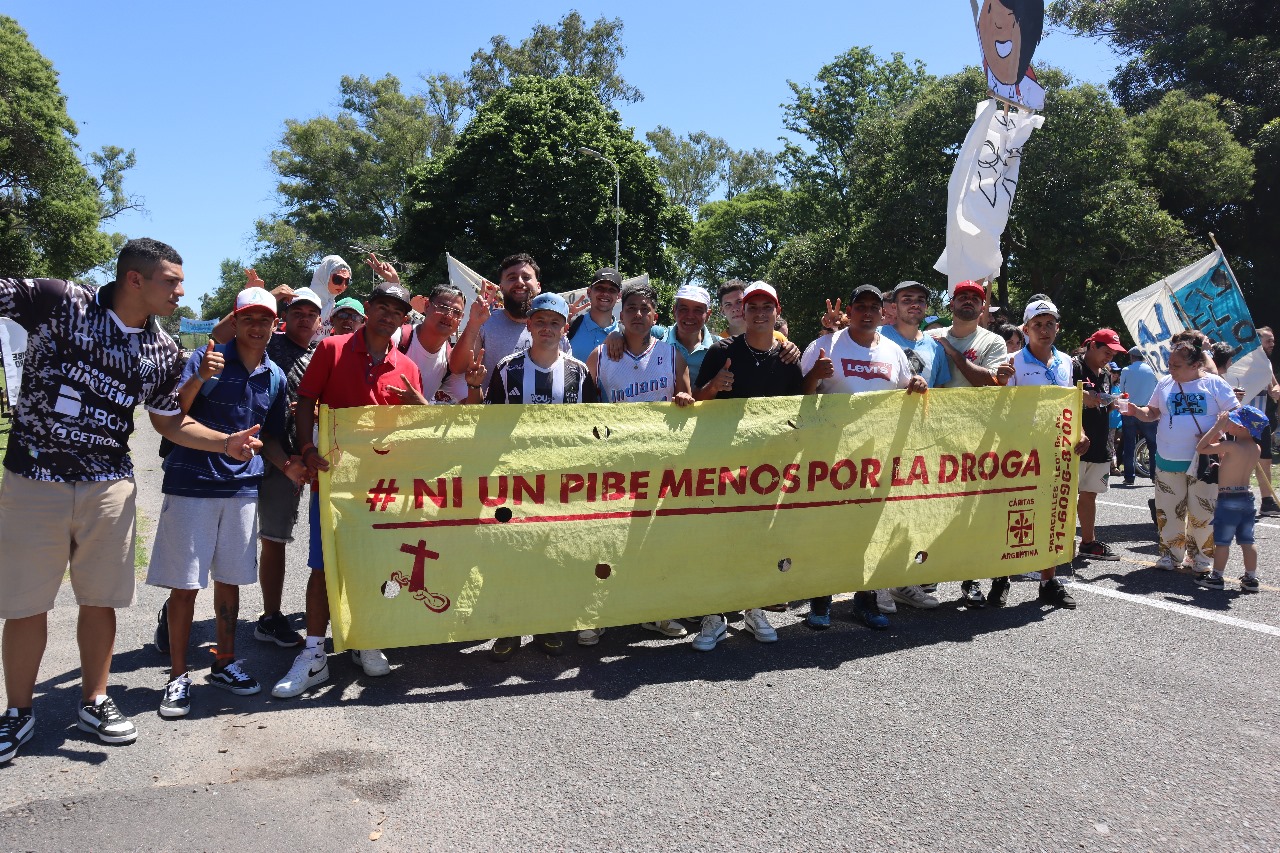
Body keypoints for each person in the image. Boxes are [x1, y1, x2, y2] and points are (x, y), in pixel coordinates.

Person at [0, 238, 263, 762]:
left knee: (100, 600)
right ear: (135, 279)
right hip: (33, 480)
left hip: (108, 486)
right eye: (172, 281)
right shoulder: (58, 300)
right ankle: (18, 713)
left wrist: (225, 442)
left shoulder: (162, 351)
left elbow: (170, 421)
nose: (181, 291)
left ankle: (94, 700)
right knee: (26, 604)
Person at [271, 281, 428, 698]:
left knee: (375, 562)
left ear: (403, 319)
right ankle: (313, 653)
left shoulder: (407, 368)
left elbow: (417, 431)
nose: (388, 315)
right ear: (369, 308)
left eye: (397, 310)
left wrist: (420, 407)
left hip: (381, 484)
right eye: (381, 306)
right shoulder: (332, 348)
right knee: (323, 565)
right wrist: (305, 448)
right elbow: (306, 402)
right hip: (334, 478)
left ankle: (366, 636)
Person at [148, 288, 296, 718]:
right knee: (186, 584)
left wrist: (286, 467)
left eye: (264, 319)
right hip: (191, 485)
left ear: (274, 325)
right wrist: (198, 377)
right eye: (248, 318)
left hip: (241, 489)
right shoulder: (207, 358)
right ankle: (178, 676)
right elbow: (173, 415)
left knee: (230, 580)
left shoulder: (274, 375)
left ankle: (225, 662)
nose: (256, 326)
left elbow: (267, 436)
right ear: (235, 320)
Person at [799, 284, 930, 630]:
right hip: (832, 456)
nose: (868, 312)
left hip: (877, 458)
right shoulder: (824, 345)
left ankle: (865, 600)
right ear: (851, 311)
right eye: (861, 306)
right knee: (828, 530)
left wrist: (915, 386)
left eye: (874, 306)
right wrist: (815, 376)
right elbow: (796, 397)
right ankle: (820, 601)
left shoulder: (892, 350)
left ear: (883, 311)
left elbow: (906, 389)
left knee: (870, 531)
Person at [578, 282, 695, 645]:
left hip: (659, 460)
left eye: (645, 309)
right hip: (613, 461)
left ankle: (656, 611)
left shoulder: (672, 354)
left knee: (652, 538)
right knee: (606, 539)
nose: (638, 315)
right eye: (631, 309)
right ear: (621, 315)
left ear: (654, 316)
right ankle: (595, 614)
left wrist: (684, 397)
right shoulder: (600, 355)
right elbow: (584, 412)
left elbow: (689, 397)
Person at [485, 292, 598, 660]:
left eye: (554, 322)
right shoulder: (506, 367)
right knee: (511, 553)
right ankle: (508, 626)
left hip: (561, 482)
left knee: (553, 554)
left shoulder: (579, 372)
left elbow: (592, 427)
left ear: (564, 327)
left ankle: (549, 622)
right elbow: (490, 425)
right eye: (540, 321)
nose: (546, 328)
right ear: (529, 324)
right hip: (515, 481)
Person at [690, 282, 803, 650]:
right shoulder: (721, 350)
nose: (758, 313)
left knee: (760, 537)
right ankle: (715, 614)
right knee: (719, 538)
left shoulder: (788, 358)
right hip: (725, 462)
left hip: (768, 466)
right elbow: (693, 401)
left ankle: (754, 608)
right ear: (742, 312)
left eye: (765, 307)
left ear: (776, 312)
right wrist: (713, 388)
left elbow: (799, 411)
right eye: (751, 306)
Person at [930, 280, 1015, 606]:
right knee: (947, 510)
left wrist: (953, 353)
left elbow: (989, 382)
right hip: (941, 438)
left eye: (975, 298)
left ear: (983, 308)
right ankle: (946, 575)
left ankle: (993, 577)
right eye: (962, 296)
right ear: (951, 303)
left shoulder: (993, 341)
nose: (968, 302)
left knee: (985, 510)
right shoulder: (930, 338)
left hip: (983, 438)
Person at [1125, 336, 1238, 572]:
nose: (1170, 369)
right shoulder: (1165, 383)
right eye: (1169, 364)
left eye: (1176, 366)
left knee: (1202, 512)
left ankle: (1200, 558)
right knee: (1168, 510)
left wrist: (1217, 433)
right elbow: (1152, 412)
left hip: (1205, 460)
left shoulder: (1215, 384)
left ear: (1196, 365)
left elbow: (1235, 414)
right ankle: (1170, 555)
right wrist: (1137, 411)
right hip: (1168, 459)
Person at [1007, 297, 1085, 608]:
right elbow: (1003, 408)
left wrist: (1081, 433)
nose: (1044, 329)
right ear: (1025, 329)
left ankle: (1048, 580)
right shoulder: (1012, 361)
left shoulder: (1067, 362)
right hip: (1022, 453)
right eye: (1037, 324)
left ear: (1058, 327)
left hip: (1058, 451)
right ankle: (1001, 578)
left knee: (1057, 514)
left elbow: (1072, 406)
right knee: (1015, 514)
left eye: (1049, 323)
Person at [1193, 406, 1266, 592]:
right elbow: (1232, 462)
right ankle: (1251, 577)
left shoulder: (1232, 446)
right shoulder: (1255, 448)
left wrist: (1217, 426)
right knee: (1247, 541)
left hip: (1228, 498)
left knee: (1222, 541)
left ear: (1242, 427)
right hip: (1247, 498)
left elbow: (1201, 448)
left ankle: (1217, 576)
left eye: (1232, 422)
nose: (1228, 423)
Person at [1073, 330, 1128, 562]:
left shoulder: (1105, 373)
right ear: (1092, 345)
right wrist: (1083, 396)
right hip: (1074, 443)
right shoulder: (1073, 367)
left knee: (1090, 495)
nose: (1109, 357)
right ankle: (1059, 542)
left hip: (1099, 444)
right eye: (1107, 352)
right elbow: (1060, 398)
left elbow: (1101, 405)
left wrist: (1113, 403)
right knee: (1064, 497)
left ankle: (1088, 542)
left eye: (1113, 353)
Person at [475, 253, 569, 378]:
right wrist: (473, 323)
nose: (519, 282)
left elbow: (567, 377)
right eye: (512, 278)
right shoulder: (484, 323)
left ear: (538, 286)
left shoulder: (557, 330)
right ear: (501, 287)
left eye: (526, 277)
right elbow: (458, 367)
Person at [1243, 326, 1279, 517]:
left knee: (1265, 460)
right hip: (1241, 419)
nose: (1272, 343)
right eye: (1268, 340)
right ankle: (1239, 500)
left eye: (1273, 340)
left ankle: (1267, 502)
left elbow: (1274, 386)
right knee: (1241, 459)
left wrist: (1276, 390)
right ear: (1257, 342)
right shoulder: (1242, 362)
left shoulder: (1266, 363)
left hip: (1261, 420)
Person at [1119, 346, 1159, 485]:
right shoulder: (1153, 370)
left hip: (1130, 409)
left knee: (1129, 443)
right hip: (1148, 411)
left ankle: (1129, 476)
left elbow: (1122, 391)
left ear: (1132, 357)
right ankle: (1154, 475)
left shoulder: (1126, 370)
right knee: (1153, 445)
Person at [567, 268, 622, 361]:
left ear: (619, 296)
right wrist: (560, 321)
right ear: (589, 292)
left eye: (612, 290)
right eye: (600, 288)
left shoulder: (623, 334)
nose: (605, 293)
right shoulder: (571, 327)